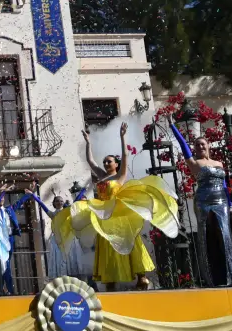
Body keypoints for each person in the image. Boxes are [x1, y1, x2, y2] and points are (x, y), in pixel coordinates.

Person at [54, 123, 178, 291]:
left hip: (120, 216)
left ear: (116, 164)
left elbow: (125, 155)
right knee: (107, 247)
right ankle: (110, 279)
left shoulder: (120, 176)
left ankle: (141, 276)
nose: (106, 163)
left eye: (109, 161)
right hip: (105, 217)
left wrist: (122, 137)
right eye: (105, 161)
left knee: (131, 243)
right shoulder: (102, 176)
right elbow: (91, 161)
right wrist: (88, 142)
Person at [170, 123, 232, 286]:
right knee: (206, 235)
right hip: (203, 200)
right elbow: (182, 143)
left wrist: (231, 205)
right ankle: (210, 278)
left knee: (224, 234)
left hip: (221, 200)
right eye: (197, 145)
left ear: (208, 145)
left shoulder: (219, 163)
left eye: (203, 144)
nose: (200, 146)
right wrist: (172, 125)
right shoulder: (194, 162)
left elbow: (225, 185)